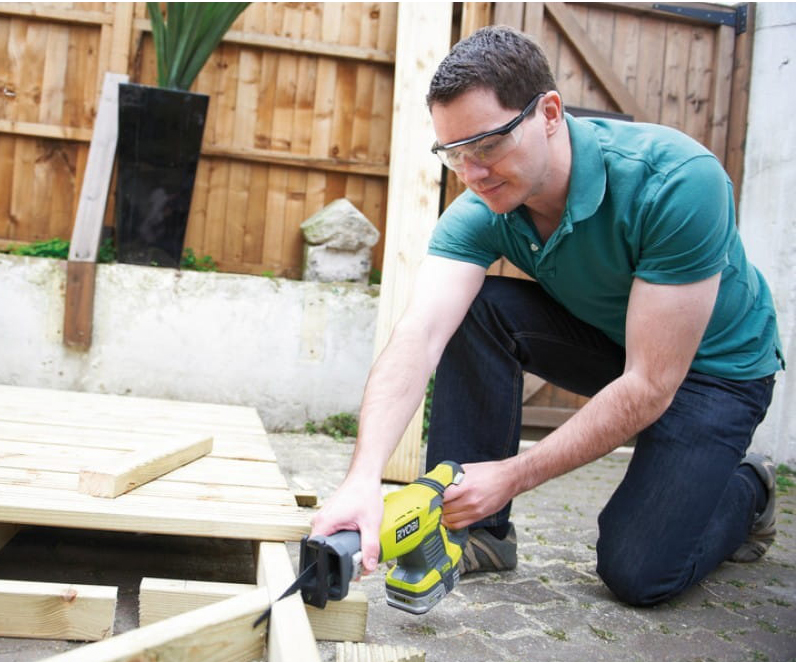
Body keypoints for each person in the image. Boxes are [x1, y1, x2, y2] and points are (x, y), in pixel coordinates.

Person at [309, 25, 784, 607]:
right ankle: (477, 531)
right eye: (454, 154)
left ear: (550, 113)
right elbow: (420, 334)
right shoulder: (482, 209)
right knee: (473, 310)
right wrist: (364, 478)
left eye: (487, 145)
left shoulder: (678, 182)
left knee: (638, 572)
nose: (472, 173)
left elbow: (651, 384)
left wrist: (514, 472)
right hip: (619, 344)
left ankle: (751, 489)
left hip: (717, 372)